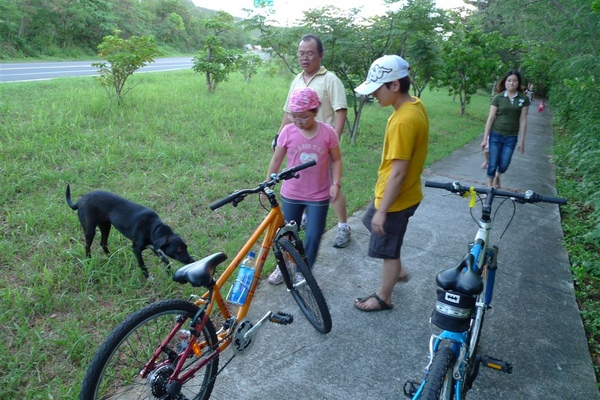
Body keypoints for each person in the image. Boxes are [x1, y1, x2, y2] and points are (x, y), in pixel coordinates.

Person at [352, 55, 429, 312]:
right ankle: (397, 267)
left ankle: (384, 297)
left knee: (385, 246)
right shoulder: (413, 105)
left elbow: (398, 172)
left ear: (395, 85)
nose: (373, 95)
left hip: (396, 199)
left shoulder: (403, 120)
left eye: (377, 89)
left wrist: (383, 210)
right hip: (401, 194)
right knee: (370, 223)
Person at [272, 34, 351, 249]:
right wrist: (279, 136)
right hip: (299, 143)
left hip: (322, 144)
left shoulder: (330, 80)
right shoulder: (297, 80)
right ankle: (306, 215)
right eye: (301, 54)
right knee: (302, 182)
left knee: (330, 186)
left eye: (310, 54)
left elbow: (340, 110)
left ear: (320, 55)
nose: (305, 58)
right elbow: (289, 112)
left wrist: (334, 139)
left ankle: (343, 226)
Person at [267, 87, 342, 285]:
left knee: (314, 235)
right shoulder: (288, 131)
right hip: (292, 192)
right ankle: (282, 266)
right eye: (294, 116)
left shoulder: (328, 133)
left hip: (318, 195)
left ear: (315, 111)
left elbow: (336, 160)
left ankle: (304, 270)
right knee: (287, 234)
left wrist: (336, 183)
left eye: (303, 117)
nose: (298, 121)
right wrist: (268, 183)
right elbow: (276, 160)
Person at [481, 70, 530, 189]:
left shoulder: (523, 99)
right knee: (492, 163)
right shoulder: (498, 98)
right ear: (505, 82)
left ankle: (497, 176)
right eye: (509, 80)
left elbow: (523, 120)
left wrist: (522, 141)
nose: (511, 83)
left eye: (514, 81)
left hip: (511, 137)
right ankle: (489, 189)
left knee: (504, 164)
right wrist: (484, 138)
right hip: (496, 134)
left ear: (518, 83)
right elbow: (491, 118)